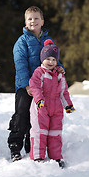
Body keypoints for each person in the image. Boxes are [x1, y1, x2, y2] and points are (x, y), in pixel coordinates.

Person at [7, 6, 65, 162]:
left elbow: (54, 60)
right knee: (23, 113)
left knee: (39, 116)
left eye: (36, 18)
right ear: (25, 22)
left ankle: (31, 144)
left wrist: (60, 68)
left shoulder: (48, 41)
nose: (33, 21)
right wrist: (26, 85)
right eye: (30, 19)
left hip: (45, 87)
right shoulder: (22, 41)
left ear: (42, 21)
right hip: (25, 86)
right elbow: (20, 64)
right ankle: (15, 146)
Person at [29, 39, 75, 168]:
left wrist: (68, 105)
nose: (51, 62)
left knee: (55, 133)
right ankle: (38, 156)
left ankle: (56, 157)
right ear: (42, 58)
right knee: (40, 131)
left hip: (56, 108)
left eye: (54, 60)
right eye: (48, 59)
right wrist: (39, 100)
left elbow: (64, 92)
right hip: (41, 106)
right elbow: (34, 86)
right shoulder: (39, 72)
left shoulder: (59, 75)